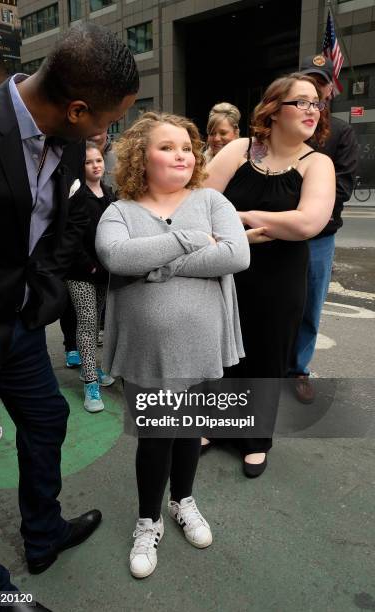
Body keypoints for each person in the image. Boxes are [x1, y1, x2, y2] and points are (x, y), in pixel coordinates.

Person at [0, 22, 138, 608]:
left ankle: (43, 536)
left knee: (47, 421)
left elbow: (46, 230)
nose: (106, 134)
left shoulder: (65, 143)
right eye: (107, 121)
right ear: (77, 108)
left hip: (16, 328)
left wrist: (45, 296)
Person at [96, 111, 250, 578]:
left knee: (188, 430)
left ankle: (184, 500)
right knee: (156, 436)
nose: (182, 154)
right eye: (168, 147)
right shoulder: (119, 209)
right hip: (147, 349)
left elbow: (236, 253)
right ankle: (149, 520)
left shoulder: (209, 199)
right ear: (141, 155)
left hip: (203, 341)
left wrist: (159, 265)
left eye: (187, 147)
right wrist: (187, 240)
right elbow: (117, 256)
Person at [204, 73, 335, 477]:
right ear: (275, 109)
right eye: (302, 102)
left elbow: (307, 223)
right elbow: (201, 202)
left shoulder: (318, 163)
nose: (313, 110)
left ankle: (256, 439)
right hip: (225, 272)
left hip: (280, 279)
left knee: (267, 356)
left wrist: (240, 216)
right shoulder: (241, 149)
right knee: (221, 352)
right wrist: (241, 232)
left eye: (317, 103)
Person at [288, 55, 359, 403]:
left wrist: (305, 210)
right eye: (307, 84)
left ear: (330, 90)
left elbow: (341, 189)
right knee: (275, 302)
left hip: (318, 237)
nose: (315, 91)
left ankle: (298, 368)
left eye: (321, 84)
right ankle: (269, 365)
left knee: (310, 305)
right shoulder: (283, 129)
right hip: (279, 235)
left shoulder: (342, 133)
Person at [66, 142, 115, 413]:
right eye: (89, 162)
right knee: (86, 323)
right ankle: (90, 382)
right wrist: (91, 267)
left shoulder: (109, 194)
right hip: (80, 272)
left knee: (96, 323)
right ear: (80, 166)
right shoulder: (75, 195)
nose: (96, 165)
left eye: (98, 160)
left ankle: (93, 366)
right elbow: (70, 239)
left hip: (105, 270)